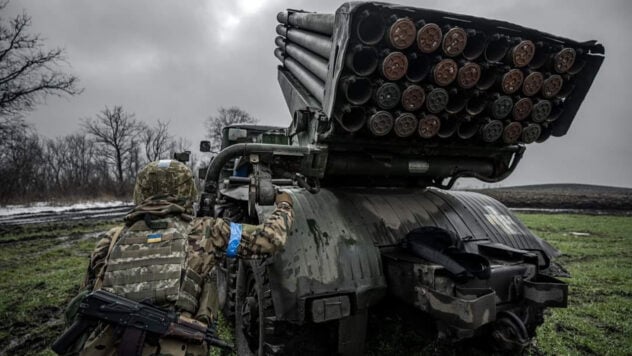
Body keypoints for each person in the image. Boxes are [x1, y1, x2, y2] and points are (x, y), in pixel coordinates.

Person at [65, 159, 294, 355]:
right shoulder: (208, 232)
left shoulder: (110, 239)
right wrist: (284, 205)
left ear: (141, 192)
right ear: (187, 192)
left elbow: (83, 300)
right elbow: (270, 239)